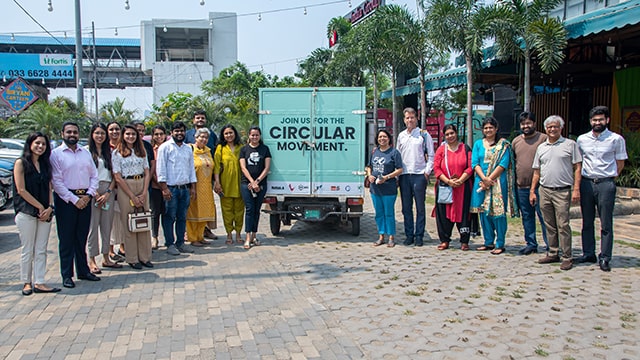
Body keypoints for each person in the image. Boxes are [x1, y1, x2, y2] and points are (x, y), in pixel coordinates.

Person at [576, 106, 628, 272]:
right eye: (594, 120)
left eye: (600, 120)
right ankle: (588, 253)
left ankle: (605, 257)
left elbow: (620, 163)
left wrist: (610, 178)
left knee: (606, 223)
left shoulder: (616, 139)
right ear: (590, 121)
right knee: (587, 221)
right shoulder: (582, 139)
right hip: (587, 182)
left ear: (607, 120)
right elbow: (579, 162)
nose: (597, 122)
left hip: (606, 183)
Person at [50, 121, 100, 288]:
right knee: (66, 239)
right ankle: (67, 275)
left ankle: (83, 271)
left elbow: (94, 176)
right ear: (62, 133)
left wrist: (88, 195)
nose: (72, 135)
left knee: (81, 237)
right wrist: (74, 199)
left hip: (85, 199)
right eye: (69, 132)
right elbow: (57, 182)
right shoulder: (56, 154)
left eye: (75, 132)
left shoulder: (85, 153)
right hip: (66, 201)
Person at [531, 115, 582, 271]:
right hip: (544, 190)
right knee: (549, 224)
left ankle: (567, 256)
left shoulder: (570, 145)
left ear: (561, 128)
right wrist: (533, 191)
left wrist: (576, 189)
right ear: (546, 129)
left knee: (563, 225)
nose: (552, 129)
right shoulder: (541, 147)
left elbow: (577, 168)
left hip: (562, 191)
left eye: (555, 126)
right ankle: (553, 252)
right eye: (549, 127)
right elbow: (536, 172)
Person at [13, 132, 60, 295]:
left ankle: (40, 281)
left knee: (41, 249)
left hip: (45, 213)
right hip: (27, 212)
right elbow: (21, 190)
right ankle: (26, 282)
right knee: (28, 249)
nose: (40, 147)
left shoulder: (45, 164)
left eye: (43, 144)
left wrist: (49, 208)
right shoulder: (21, 163)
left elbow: (49, 187)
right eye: (37, 143)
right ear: (30, 144)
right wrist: (40, 207)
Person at [470, 117, 517, 255]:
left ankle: (500, 243)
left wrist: (490, 179)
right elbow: (475, 163)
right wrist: (484, 179)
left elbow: (503, 164)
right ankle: (488, 241)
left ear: (496, 129)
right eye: (485, 128)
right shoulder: (478, 144)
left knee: (498, 214)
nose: (488, 130)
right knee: (484, 213)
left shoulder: (503, 145)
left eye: (491, 127)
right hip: (481, 182)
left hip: (497, 183)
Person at [112, 124, 153, 270]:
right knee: (129, 223)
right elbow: (117, 176)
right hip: (126, 186)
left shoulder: (141, 151)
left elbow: (147, 171)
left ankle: (145, 256)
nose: (131, 137)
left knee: (143, 221)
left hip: (142, 183)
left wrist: (143, 192)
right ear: (123, 135)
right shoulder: (117, 153)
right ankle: (132, 258)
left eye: (133, 134)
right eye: (128, 134)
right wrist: (131, 196)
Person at [156, 121, 197, 256]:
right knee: (169, 217)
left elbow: (191, 168)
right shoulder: (165, 148)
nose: (179, 133)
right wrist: (164, 188)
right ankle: (169, 244)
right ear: (171, 133)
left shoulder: (187, 148)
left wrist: (193, 187)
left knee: (182, 217)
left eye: (182, 131)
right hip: (171, 189)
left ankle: (181, 243)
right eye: (177, 131)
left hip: (184, 189)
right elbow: (160, 169)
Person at [396, 107, 434, 247]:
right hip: (405, 175)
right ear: (404, 119)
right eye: (407, 118)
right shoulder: (401, 136)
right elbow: (398, 156)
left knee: (420, 208)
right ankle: (409, 235)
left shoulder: (424, 135)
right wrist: (397, 175)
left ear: (416, 118)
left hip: (419, 175)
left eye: (412, 117)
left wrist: (427, 172)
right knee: (406, 208)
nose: (410, 120)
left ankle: (419, 236)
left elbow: (431, 155)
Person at [512, 112, 549, 255]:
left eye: (528, 123)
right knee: (527, 216)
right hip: (521, 186)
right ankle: (531, 243)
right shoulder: (516, 141)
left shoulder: (543, 139)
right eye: (523, 124)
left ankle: (550, 244)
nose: (526, 126)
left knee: (544, 217)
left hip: (541, 187)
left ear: (534, 123)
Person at [86, 123, 121, 274]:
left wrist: (108, 192)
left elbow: (115, 175)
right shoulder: (86, 153)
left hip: (108, 191)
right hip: (92, 191)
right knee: (93, 227)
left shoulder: (110, 153)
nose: (100, 136)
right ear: (92, 135)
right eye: (97, 133)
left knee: (107, 227)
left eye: (102, 133)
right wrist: (94, 193)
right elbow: (84, 176)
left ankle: (106, 257)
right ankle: (92, 260)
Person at [432, 125, 473, 251]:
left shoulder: (465, 148)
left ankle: (464, 241)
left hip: (463, 187)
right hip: (445, 187)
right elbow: (436, 168)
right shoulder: (441, 150)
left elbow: (470, 166)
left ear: (456, 133)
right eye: (447, 134)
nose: (450, 136)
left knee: (464, 213)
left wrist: (460, 180)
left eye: (452, 133)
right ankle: (445, 240)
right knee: (443, 214)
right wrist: (448, 181)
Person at [365, 129, 403, 248]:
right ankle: (381, 236)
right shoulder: (375, 152)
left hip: (389, 189)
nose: (382, 139)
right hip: (375, 189)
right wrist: (369, 175)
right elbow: (369, 166)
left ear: (389, 138)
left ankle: (391, 237)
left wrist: (386, 177)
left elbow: (400, 169)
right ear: (377, 139)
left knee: (389, 213)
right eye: (380, 137)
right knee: (379, 214)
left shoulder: (394, 153)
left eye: (385, 137)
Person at [185, 110, 219, 241]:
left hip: (206, 184)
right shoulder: (189, 145)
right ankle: (191, 235)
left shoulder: (209, 149)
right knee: (193, 210)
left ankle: (202, 233)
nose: (204, 139)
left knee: (205, 209)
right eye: (197, 118)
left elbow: (215, 160)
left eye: (202, 118)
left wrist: (216, 181)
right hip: (193, 184)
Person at [239, 126, 272, 249]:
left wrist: (257, 181)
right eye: (252, 135)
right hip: (246, 184)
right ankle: (247, 237)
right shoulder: (244, 150)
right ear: (249, 136)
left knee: (257, 210)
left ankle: (254, 235)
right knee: (249, 209)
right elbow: (243, 167)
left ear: (260, 136)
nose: (254, 137)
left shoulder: (265, 149)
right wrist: (252, 182)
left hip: (261, 184)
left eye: (257, 135)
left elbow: (267, 167)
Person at [214, 124, 244, 245]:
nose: (229, 135)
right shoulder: (220, 148)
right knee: (227, 211)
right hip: (225, 184)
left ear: (235, 134)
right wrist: (217, 183)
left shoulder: (242, 147)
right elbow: (216, 167)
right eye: (226, 133)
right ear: (223, 135)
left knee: (239, 211)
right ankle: (228, 234)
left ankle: (238, 234)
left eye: (231, 133)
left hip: (239, 183)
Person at [107, 121, 126, 262]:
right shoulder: (104, 148)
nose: (114, 132)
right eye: (111, 129)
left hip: (124, 188)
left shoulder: (125, 147)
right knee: (110, 221)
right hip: (108, 189)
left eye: (117, 129)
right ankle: (110, 250)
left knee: (123, 218)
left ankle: (123, 247)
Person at [149, 125, 167, 249]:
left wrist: (165, 187)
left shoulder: (168, 148)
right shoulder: (150, 150)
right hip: (155, 187)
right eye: (156, 134)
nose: (159, 136)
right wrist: (160, 185)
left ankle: (168, 238)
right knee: (155, 213)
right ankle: (154, 238)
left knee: (167, 213)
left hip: (168, 187)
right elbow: (151, 169)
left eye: (161, 134)